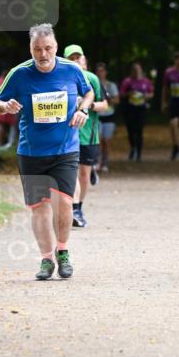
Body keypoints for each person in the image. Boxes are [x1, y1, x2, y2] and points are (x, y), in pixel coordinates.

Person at [0, 24, 94, 280]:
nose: (43, 54)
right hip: (31, 152)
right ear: (31, 49)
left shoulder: (71, 69)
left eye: (48, 48)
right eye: (37, 49)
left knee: (65, 203)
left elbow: (89, 92)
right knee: (39, 208)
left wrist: (83, 109)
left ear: (56, 47)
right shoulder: (19, 73)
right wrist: (5, 106)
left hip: (65, 149)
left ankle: (63, 251)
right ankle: (46, 259)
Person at [63, 45, 108, 227]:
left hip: (88, 135)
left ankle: (79, 206)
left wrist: (88, 105)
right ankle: (74, 209)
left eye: (78, 57)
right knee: (71, 171)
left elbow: (105, 105)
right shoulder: (60, 78)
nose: (75, 61)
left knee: (83, 173)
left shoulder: (92, 79)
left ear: (84, 60)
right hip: (67, 134)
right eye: (71, 58)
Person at [120, 61, 154, 161]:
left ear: (141, 70)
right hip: (130, 108)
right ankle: (133, 147)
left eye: (138, 70)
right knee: (130, 130)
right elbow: (122, 93)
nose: (136, 72)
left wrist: (147, 96)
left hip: (141, 108)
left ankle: (139, 153)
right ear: (132, 71)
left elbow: (151, 93)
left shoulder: (146, 81)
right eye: (134, 70)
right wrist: (129, 93)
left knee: (139, 130)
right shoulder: (127, 81)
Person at [95, 62, 119, 171]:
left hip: (109, 116)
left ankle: (106, 162)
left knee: (106, 141)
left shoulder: (111, 85)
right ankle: (97, 162)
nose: (100, 73)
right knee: (98, 140)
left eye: (102, 71)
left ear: (106, 72)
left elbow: (117, 100)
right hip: (97, 116)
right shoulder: (93, 84)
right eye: (98, 71)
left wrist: (107, 100)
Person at [0, 68, 18, 151]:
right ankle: (2, 144)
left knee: (3, 125)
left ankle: (4, 143)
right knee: (2, 125)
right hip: (3, 105)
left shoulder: (0, 80)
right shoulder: (3, 80)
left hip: (2, 105)